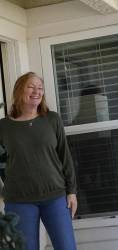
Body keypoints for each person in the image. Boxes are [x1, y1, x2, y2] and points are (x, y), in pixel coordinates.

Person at [0, 72, 78, 250]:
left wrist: (71, 191)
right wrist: (13, 183)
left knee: (66, 247)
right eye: (31, 86)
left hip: (56, 197)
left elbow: (65, 156)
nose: (37, 91)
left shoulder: (52, 119)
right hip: (19, 201)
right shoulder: (3, 126)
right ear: (19, 90)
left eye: (40, 88)